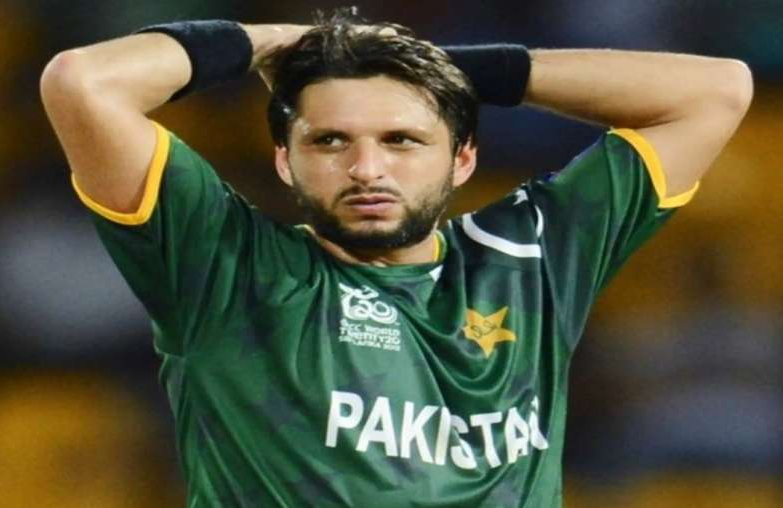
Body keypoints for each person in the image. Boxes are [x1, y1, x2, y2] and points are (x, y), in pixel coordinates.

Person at [40, 8, 752, 508]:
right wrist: (274, 43)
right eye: (330, 141)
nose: (367, 169)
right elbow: (82, 83)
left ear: (463, 157)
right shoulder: (225, 266)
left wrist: (446, 69)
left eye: (402, 139)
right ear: (284, 161)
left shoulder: (532, 255)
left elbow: (718, 91)